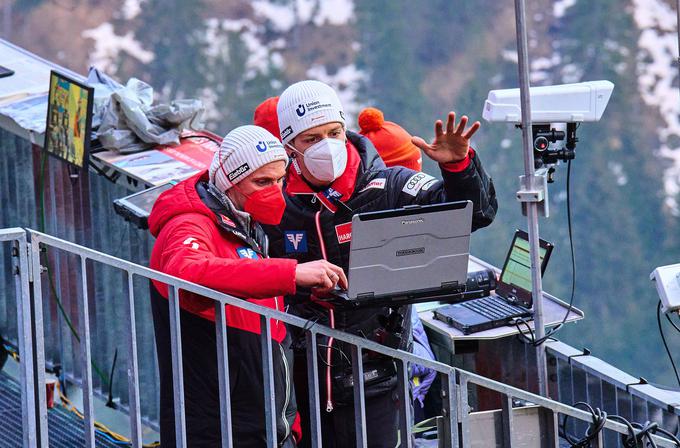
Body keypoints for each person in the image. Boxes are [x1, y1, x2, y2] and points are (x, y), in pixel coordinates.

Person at [259, 79, 498, 447]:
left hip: (376, 379)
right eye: (311, 139)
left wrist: (459, 168)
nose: (326, 145)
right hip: (298, 379)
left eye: (334, 132)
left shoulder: (388, 185)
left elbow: (472, 215)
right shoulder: (275, 199)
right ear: (289, 146)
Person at [148, 125, 348, 447]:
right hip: (221, 427)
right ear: (229, 182)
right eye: (262, 182)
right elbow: (187, 274)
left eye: (280, 180)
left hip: (267, 420)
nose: (275, 190)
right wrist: (291, 274)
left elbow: (243, 281)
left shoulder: (241, 219)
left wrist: (298, 288)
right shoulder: (191, 223)